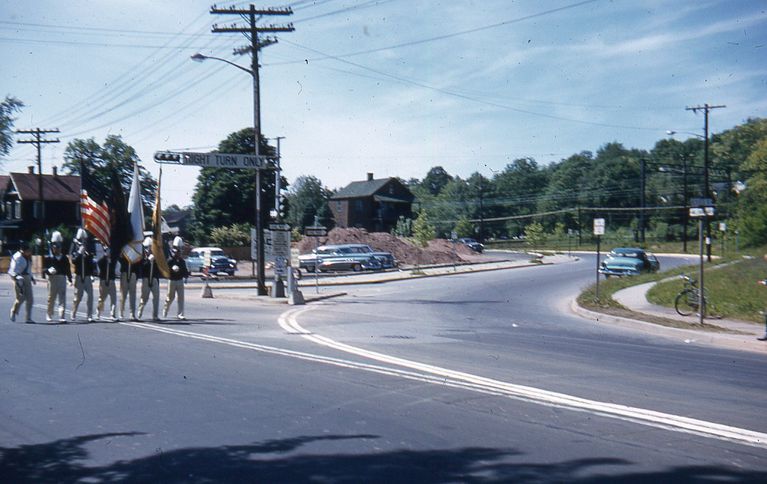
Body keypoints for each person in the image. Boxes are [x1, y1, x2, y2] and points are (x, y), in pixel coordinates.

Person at [43, 231, 72, 323]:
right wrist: (48, 271)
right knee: (51, 297)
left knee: (62, 298)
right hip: (52, 279)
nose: (57, 248)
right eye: (55, 246)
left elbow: (68, 269)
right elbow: (44, 270)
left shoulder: (64, 258)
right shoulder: (49, 258)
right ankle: (49, 314)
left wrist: (70, 279)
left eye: (59, 247)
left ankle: (62, 316)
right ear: (52, 247)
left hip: (62, 278)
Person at [71, 229, 96, 322]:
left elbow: (91, 262)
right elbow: (73, 261)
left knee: (90, 296)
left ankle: (89, 315)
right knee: (78, 297)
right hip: (79, 276)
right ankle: (73, 312)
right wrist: (79, 253)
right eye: (81, 239)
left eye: (84, 239)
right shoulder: (75, 248)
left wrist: (92, 274)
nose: (83, 241)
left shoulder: (88, 248)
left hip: (87, 276)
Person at [8, 242, 35, 323]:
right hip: (19, 278)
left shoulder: (28, 257)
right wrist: (17, 278)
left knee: (30, 299)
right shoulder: (17, 257)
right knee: (21, 298)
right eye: (28, 250)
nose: (30, 252)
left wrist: (32, 277)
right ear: (23, 250)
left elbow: (29, 268)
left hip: (27, 277)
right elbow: (12, 270)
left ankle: (28, 318)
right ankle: (13, 311)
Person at [163, 236, 188, 320]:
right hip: (172, 280)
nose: (178, 253)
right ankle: (166, 308)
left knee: (181, 298)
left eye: (179, 251)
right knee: (170, 297)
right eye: (177, 250)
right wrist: (172, 270)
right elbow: (166, 270)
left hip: (180, 280)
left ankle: (180, 314)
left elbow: (185, 271)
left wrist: (186, 274)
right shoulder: (170, 260)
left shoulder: (182, 261)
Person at [137, 237, 162, 321]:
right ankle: (140, 309)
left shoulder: (156, 258)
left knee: (156, 297)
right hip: (146, 279)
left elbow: (160, 269)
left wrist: (155, 261)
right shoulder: (142, 258)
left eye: (150, 247)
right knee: (145, 297)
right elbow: (142, 269)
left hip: (154, 279)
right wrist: (148, 261)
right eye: (147, 247)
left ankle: (155, 315)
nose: (149, 249)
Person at [96, 244, 118, 321]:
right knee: (102, 298)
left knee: (114, 299)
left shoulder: (113, 260)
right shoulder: (102, 261)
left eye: (109, 251)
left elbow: (116, 268)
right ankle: (98, 312)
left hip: (111, 281)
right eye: (106, 251)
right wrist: (105, 258)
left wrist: (111, 260)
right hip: (103, 281)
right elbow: (99, 264)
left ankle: (112, 314)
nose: (108, 252)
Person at [119, 253, 141, 321]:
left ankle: (132, 314)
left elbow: (139, 262)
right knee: (123, 295)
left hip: (133, 273)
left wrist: (137, 275)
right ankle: (121, 312)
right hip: (124, 273)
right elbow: (119, 259)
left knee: (133, 295)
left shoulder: (136, 248)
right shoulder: (123, 249)